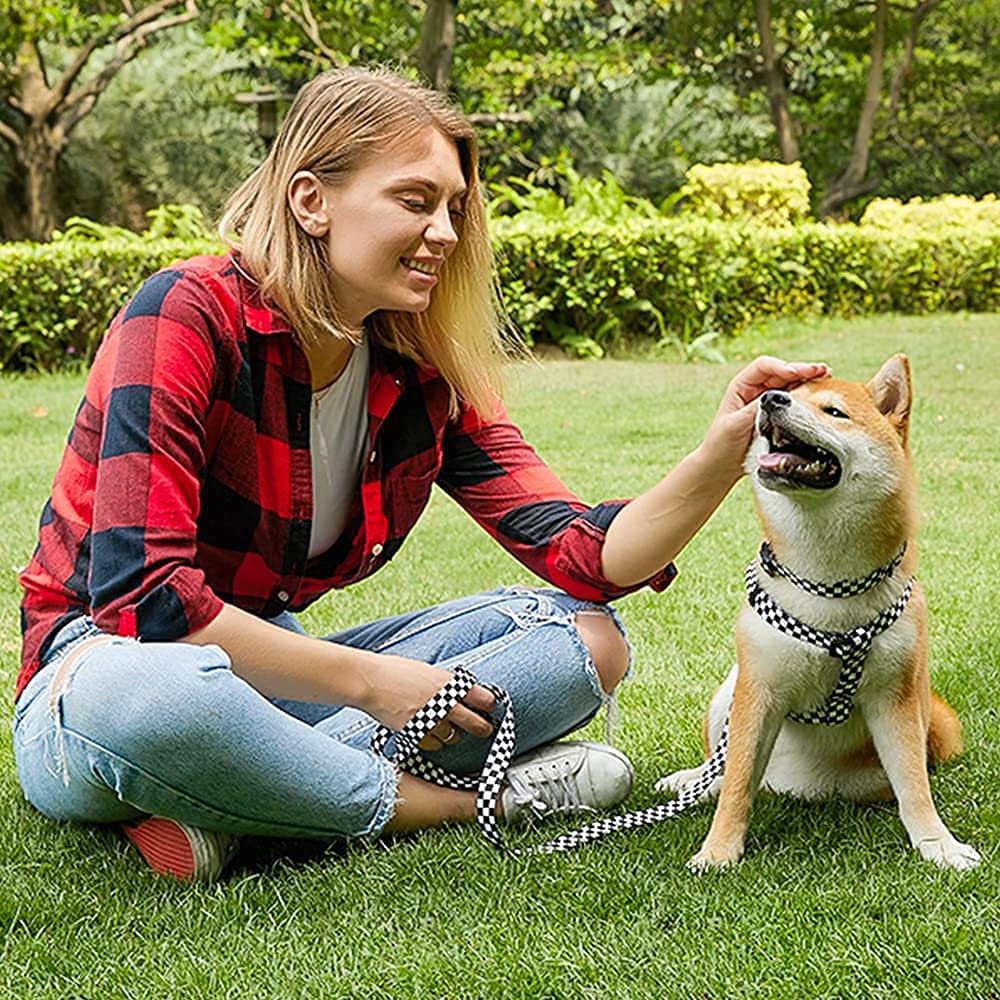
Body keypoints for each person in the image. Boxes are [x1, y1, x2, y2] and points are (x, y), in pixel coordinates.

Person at [12, 67, 829, 882]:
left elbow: (590, 557)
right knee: (160, 700)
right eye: (415, 201)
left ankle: (236, 796)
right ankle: (477, 799)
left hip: (265, 678)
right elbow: (144, 601)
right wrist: (374, 685)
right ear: (311, 201)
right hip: (97, 674)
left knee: (584, 642)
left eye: (455, 209)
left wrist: (724, 451)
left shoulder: (418, 368)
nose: (444, 231)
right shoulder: (185, 314)